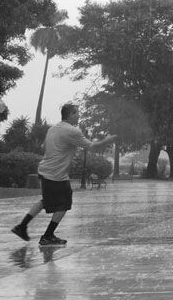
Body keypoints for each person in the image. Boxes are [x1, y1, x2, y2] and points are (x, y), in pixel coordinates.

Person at [10, 104, 116, 245]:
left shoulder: (53, 129)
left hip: (45, 170)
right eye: (77, 113)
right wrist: (109, 139)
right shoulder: (72, 131)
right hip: (56, 174)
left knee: (45, 201)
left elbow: (44, 147)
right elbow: (93, 147)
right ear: (71, 114)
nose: (79, 116)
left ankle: (22, 227)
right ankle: (47, 236)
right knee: (64, 204)